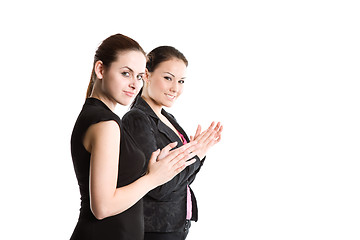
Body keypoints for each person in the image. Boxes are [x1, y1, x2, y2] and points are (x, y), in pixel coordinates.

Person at [70, 34, 198, 240]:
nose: (134, 84)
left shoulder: (100, 117)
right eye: (125, 73)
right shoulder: (105, 124)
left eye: (139, 76)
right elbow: (102, 207)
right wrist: (153, 178)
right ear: (100, 69)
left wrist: (156, 167)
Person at [123, 46, 223, 240]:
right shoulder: (137, 119)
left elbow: (182, 179)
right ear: (146, 75)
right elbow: (158, 186)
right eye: (168, 78)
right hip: (157, 229)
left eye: (181, 81)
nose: (175, 88)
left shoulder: (168, 117)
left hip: (176, 224)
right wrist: (196, 155)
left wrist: (195, 154)